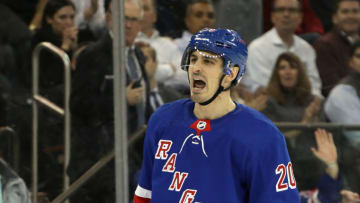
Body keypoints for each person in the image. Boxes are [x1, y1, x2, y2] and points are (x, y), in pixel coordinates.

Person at [133, 28, 299, 202]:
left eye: (208, 61)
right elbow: (145, 194)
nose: (196, 68)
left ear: (231, 74)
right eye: (193, 59)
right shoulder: (163, 119)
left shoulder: (263, 136)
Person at [69, 0, 151, 201]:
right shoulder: (93, 55)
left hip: (134, 156)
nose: (129, 25)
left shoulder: (138, 55)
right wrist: (119, 99)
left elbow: (143, 105)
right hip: (99, 161)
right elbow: (78, 105)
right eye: (124, 19)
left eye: (134, 20)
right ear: (109, 19)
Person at [243, 0, 322, 98]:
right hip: (271, 108)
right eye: (281, 10)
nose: (286, 14)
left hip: (305, 105)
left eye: (292, 10)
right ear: (273, 16)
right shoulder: (257, 48)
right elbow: (266, 88)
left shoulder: (307, 49)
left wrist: (314, 102)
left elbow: (315, 87)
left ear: (300, 17)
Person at [136, 0, 188, 93]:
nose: (141, 13)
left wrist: (154, 75)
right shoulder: (130, 43)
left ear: (154, 16)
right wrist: (170, 69)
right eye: (139, 9)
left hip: (169, 97)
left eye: (145, 8)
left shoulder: (168, 44)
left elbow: (186, 78)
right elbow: (138, 75)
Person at [260, 52, 324, 123]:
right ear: (276, 74)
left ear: (300, 73)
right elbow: (273, 133)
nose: (287, 72)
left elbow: (323, 130)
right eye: (282, 68)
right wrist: (305, 123)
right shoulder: (267, 102)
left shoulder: (312, 102)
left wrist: (315, 120)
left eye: (292, 67)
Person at [314, 0, 360, 97]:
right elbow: (331, 87)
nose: (350, 16)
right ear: (335, 18)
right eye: (345, 12)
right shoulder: (325, 45)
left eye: (355, 11)